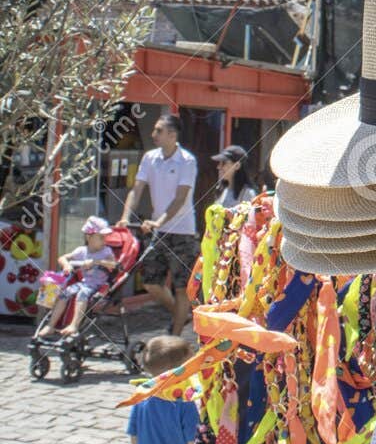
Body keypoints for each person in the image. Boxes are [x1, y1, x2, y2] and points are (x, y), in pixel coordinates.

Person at [119, 114, 199, 336]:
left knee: (182, 286)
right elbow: (137, 189)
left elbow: (181, 197)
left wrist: (158, 221)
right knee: (151, 282)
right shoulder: (150, 158)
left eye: (158, 131)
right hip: (159, 231)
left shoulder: (187, 160)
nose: (153, 135)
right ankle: (180, 316)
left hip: (182, 232)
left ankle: (174, 337)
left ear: (172, 135)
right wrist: (126, 216)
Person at [36, 216, 116, 338]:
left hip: (98, 285)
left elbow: (114, 264)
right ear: (89, 237)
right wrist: (66, 265)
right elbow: (62, 258)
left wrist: (97, 261)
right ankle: (51, 325)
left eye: (105, 237)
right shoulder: (81, 251)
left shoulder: (106, 251)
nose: (104, 240)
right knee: (65, 293)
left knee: (82, 293)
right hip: (84, 282)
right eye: (101, 237)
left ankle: (74, 325)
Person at [213, 144, 255, 208]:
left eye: (224, 163)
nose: (218, 167)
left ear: (237, 166)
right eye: (219, 163)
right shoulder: (220, 189)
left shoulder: (247, 194)